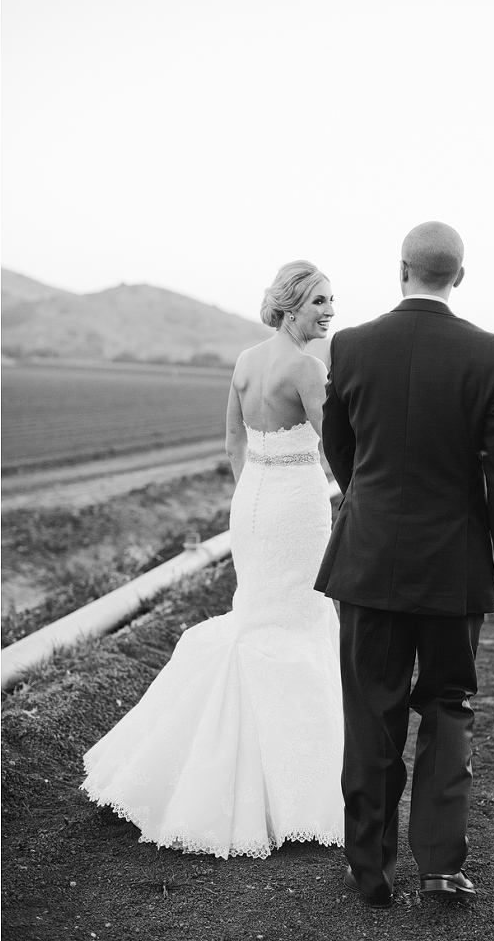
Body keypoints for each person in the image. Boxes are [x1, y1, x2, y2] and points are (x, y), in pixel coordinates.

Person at [82, 260, 344, 858]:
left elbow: (233, 441)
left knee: (257, 617)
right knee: (295, 621)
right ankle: (296, 786)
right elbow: (338, 447)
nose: (330, 311)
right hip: (298, 503)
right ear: (291, 306)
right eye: (320, 302)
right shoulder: (307, 368)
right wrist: (340, 492)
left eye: (333, 300)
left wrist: (252, 490)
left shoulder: (247, 361)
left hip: (251, 499)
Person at [317, 222, 494, 907]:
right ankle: (440, 867)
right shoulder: (490, 355)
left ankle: (369, 872)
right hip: (454, 565)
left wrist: (372, 506)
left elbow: (340, 451)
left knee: (370, 712)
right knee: (447, 709)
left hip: (370, 559)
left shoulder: (349, 346)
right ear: (458, 277)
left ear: (399, 269)